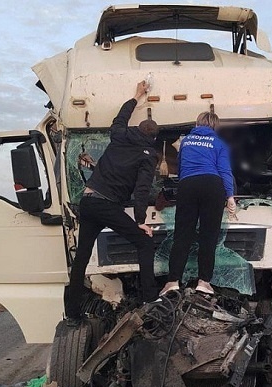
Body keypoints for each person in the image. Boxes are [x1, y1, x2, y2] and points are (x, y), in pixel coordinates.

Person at [64, 81, 159, 322]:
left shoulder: (119, 136)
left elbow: (120, 118)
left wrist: (136, 96)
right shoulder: (148, 155)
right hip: (106, 205)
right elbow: (142, 189)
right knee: (145, 243)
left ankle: (72, 312)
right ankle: (150, 299)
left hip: (88, 203)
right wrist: (140, 221)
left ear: (137, 129)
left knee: (82, 257)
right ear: (153, 138)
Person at [160, 112, 236, 295]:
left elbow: (180, 167)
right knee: (208, 236)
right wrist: (230, 196)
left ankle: (172, 281)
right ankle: (204, 282)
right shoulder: (218, 143)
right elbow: (225, 171)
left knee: (182, 235)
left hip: (188, 184)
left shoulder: (185, 142)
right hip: (212, 185)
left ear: (197, 124)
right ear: (215, 126)